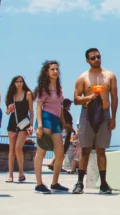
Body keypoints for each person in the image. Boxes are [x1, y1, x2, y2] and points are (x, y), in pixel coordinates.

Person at [73, 48, 118, 194]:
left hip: (104, 113)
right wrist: (88, 97)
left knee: (101, 150)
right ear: (87, 60)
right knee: (85, 149)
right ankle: (79, 182)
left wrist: (113, 117)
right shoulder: (82, 78)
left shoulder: (110, 76)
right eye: (93, 58)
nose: (96, 59)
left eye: (98, 56)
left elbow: (114, 97)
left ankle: (103, 183)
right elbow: (76, 99)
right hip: (87, 113)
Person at [33, 60, 68, 194]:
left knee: (59, 154)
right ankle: (39, 184)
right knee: (41, 152)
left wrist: (63, 122)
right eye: (52, 69)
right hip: (45, 118)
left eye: (56, 69)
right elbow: (39, 107)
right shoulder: (43, 88)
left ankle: (55, 183)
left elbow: (60, 106)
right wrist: (40, 125)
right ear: (47, 72)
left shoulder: (59, 88)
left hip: (56, 120)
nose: (55, 71)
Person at [5, 76, 34, 182]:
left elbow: (31, 110)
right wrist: (9, 109)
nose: (19, 83)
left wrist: (31, 125)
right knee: (11, 149)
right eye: (17, 82)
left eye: (21, 81)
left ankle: (21, 173)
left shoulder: (28, 94)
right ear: (14, 83)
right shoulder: (11, 95)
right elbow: (7, 113)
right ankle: (10, 175)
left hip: (24, 124)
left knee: (18, 148)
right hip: (12, 124)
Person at [49, 98, 74, 172]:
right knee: (62, 151)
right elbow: (68, 125)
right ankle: (57, 166)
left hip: (58, 133)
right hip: (65, 135)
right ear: (68, 105)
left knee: (59, 150)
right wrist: (74, 131)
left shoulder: (59, 112)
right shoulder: (67, 114)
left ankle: (52, 163)